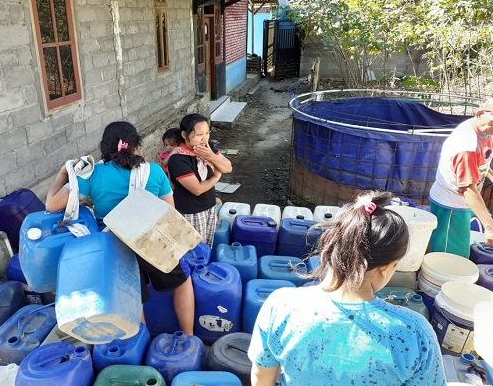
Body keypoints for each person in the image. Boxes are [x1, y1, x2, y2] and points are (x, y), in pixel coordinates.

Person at [248, 191, 446, 386]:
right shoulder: (415, 332)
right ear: (386, 267)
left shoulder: (281, 304)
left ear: (335, 245)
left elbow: (261, 378)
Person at [46, 121, 195, 335]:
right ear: (137, 146)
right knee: (182, 282)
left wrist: (63, 173)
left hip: (114, 246)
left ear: (104, 147)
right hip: (152, 242)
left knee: (133, 296)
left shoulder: (92, 174)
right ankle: (188, 336)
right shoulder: (153, 171)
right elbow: (169, 213)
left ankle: (140, 346)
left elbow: (51, 204)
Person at [429, 98, 493, 257]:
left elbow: (481, 166)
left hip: (463, 203)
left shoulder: (485, 130)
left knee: (450, 246)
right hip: (452, 206)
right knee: (451, 256)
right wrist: (489, 227)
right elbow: (468, 188)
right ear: (479, 114)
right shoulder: (466, 145)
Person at [168, 114, 232, 247]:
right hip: (191, 212)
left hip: (209, 207)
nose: (204, 138)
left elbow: (227, 168)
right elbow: (197, 189)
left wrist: (211, 157)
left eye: (207, 133)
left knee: (207, 246)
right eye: (199, 134)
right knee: (195, 250)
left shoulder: (207, 148)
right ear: (185, 135)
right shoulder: (178, 159)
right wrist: (216, 177)